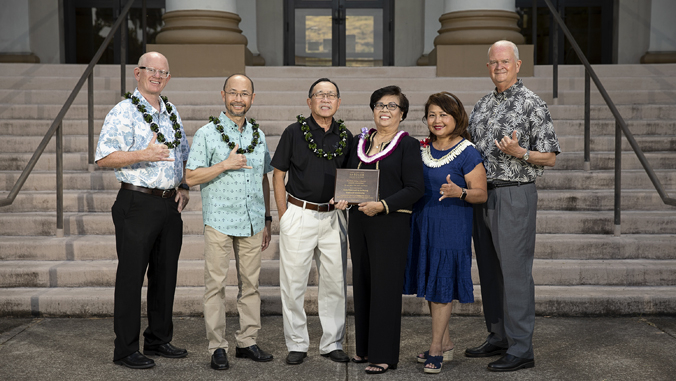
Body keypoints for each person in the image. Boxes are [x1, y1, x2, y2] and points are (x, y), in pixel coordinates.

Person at [464, 40, 560, 372]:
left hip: (515, 195)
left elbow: (550, 157)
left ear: (517, 65)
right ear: (487, 66)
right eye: (493, 62)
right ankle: (498, 336)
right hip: (481, 195)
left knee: (515, 274)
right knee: (490, 272)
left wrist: (521, 153)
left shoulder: (533, 104)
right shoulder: (481, 105)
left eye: (505, 61)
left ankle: (521, 348)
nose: (499, 66)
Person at [95, 51, 190, 369]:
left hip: (168, 203)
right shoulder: (123, 111)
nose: (158, 76)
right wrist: (142, 153)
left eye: (163, 72)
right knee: (131, 277)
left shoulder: (171, 111)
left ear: (168, 77)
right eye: (152, 70)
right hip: (136, 203)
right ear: (138, 73)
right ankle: (125, 349)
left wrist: (184, 186)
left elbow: (182, 154)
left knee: (165, 276)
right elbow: (104, 158)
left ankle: (158, 339)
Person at [185, 74, 274, 370]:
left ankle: (247, 342)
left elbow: (264, 177)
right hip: (220, 220)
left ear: (252, 97)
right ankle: (217, 346)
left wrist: (267, 219)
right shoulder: (207, 133)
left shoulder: (258, 136)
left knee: (250, 285)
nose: (239, 98)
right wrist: (224, 164)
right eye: (233, 93)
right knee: (216, 285)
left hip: (252, 222)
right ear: (223, 95)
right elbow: (190, 176)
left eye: (244, 93)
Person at [334, 85, 424, 375]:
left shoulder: (408, 145)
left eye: (392, 106)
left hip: (390, 222)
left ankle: (384, 355)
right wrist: (343, 197)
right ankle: (364, 349)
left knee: (385, 287)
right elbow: (350, 179)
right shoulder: (362, 141)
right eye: (379, 105)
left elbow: (415, 188)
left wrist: (383, 205)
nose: (384, 110)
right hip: (360, 220)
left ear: (402, 114)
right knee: (362, 282)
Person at [271, 78, 354, 365]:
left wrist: (348, 199)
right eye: (320, 94)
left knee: (334, 283)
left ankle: (331, 343)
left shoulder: (346, 136)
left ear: (339, 102)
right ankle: (297, 343)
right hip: (299, 213)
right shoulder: (294, 132)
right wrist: (284, 215)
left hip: (333, 218)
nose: (325, 99)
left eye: (331, 95)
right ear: (309, 102)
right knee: (293, 284)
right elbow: (278, 174)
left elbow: (352, 179)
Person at [403, 92, 487, 374]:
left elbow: (481, 194)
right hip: (422, 224)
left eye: (444, 115)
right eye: (432, 115)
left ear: (456, 117)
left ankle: (436, 348)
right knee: (431, 284)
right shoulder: (422, 148)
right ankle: (446, 342)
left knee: (441, 286)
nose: (437, 120)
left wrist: (459, 191)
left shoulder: (467, 151)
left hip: (451, 226)